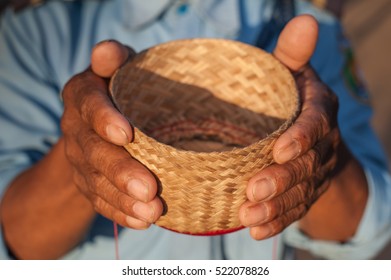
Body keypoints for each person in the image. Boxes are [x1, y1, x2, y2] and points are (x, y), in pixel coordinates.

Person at [0, 0, 390, 260]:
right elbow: (16, 242)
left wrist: (321, 162)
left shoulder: (312, 27)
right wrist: (81, 158)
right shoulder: (36, 29)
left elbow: (363, 231)